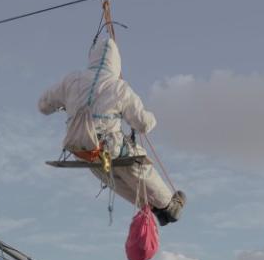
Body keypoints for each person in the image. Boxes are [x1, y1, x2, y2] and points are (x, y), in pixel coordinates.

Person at [38, 36, 186, 226]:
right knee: (137, 168)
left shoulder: (71, 80)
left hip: (82, 150)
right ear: (116, 63)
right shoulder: (119, 87)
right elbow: (143, 125)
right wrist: (152, 118)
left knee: (111, 176)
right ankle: (168, 206)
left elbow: (43, 105)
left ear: (92, 58)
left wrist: (65, 104)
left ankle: (152, 206)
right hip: (109, 147)